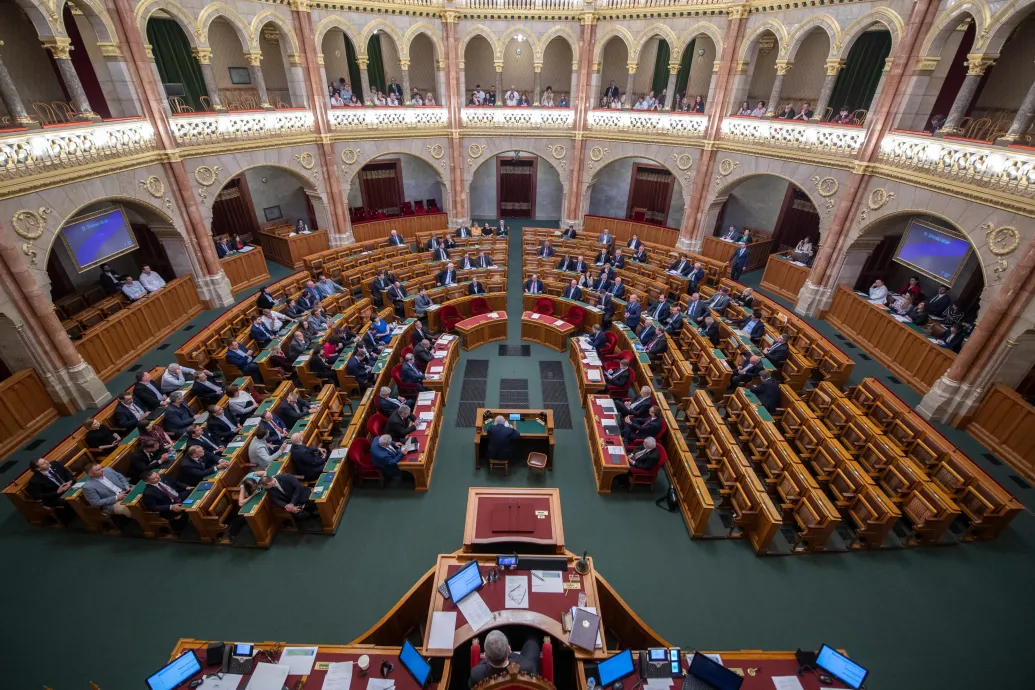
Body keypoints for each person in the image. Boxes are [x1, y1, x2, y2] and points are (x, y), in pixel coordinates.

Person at [469, 630, 541, 689]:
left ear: (485, 657)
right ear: (509, 650)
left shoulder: (476, 674)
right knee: (532, 642)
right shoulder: (527, 667)